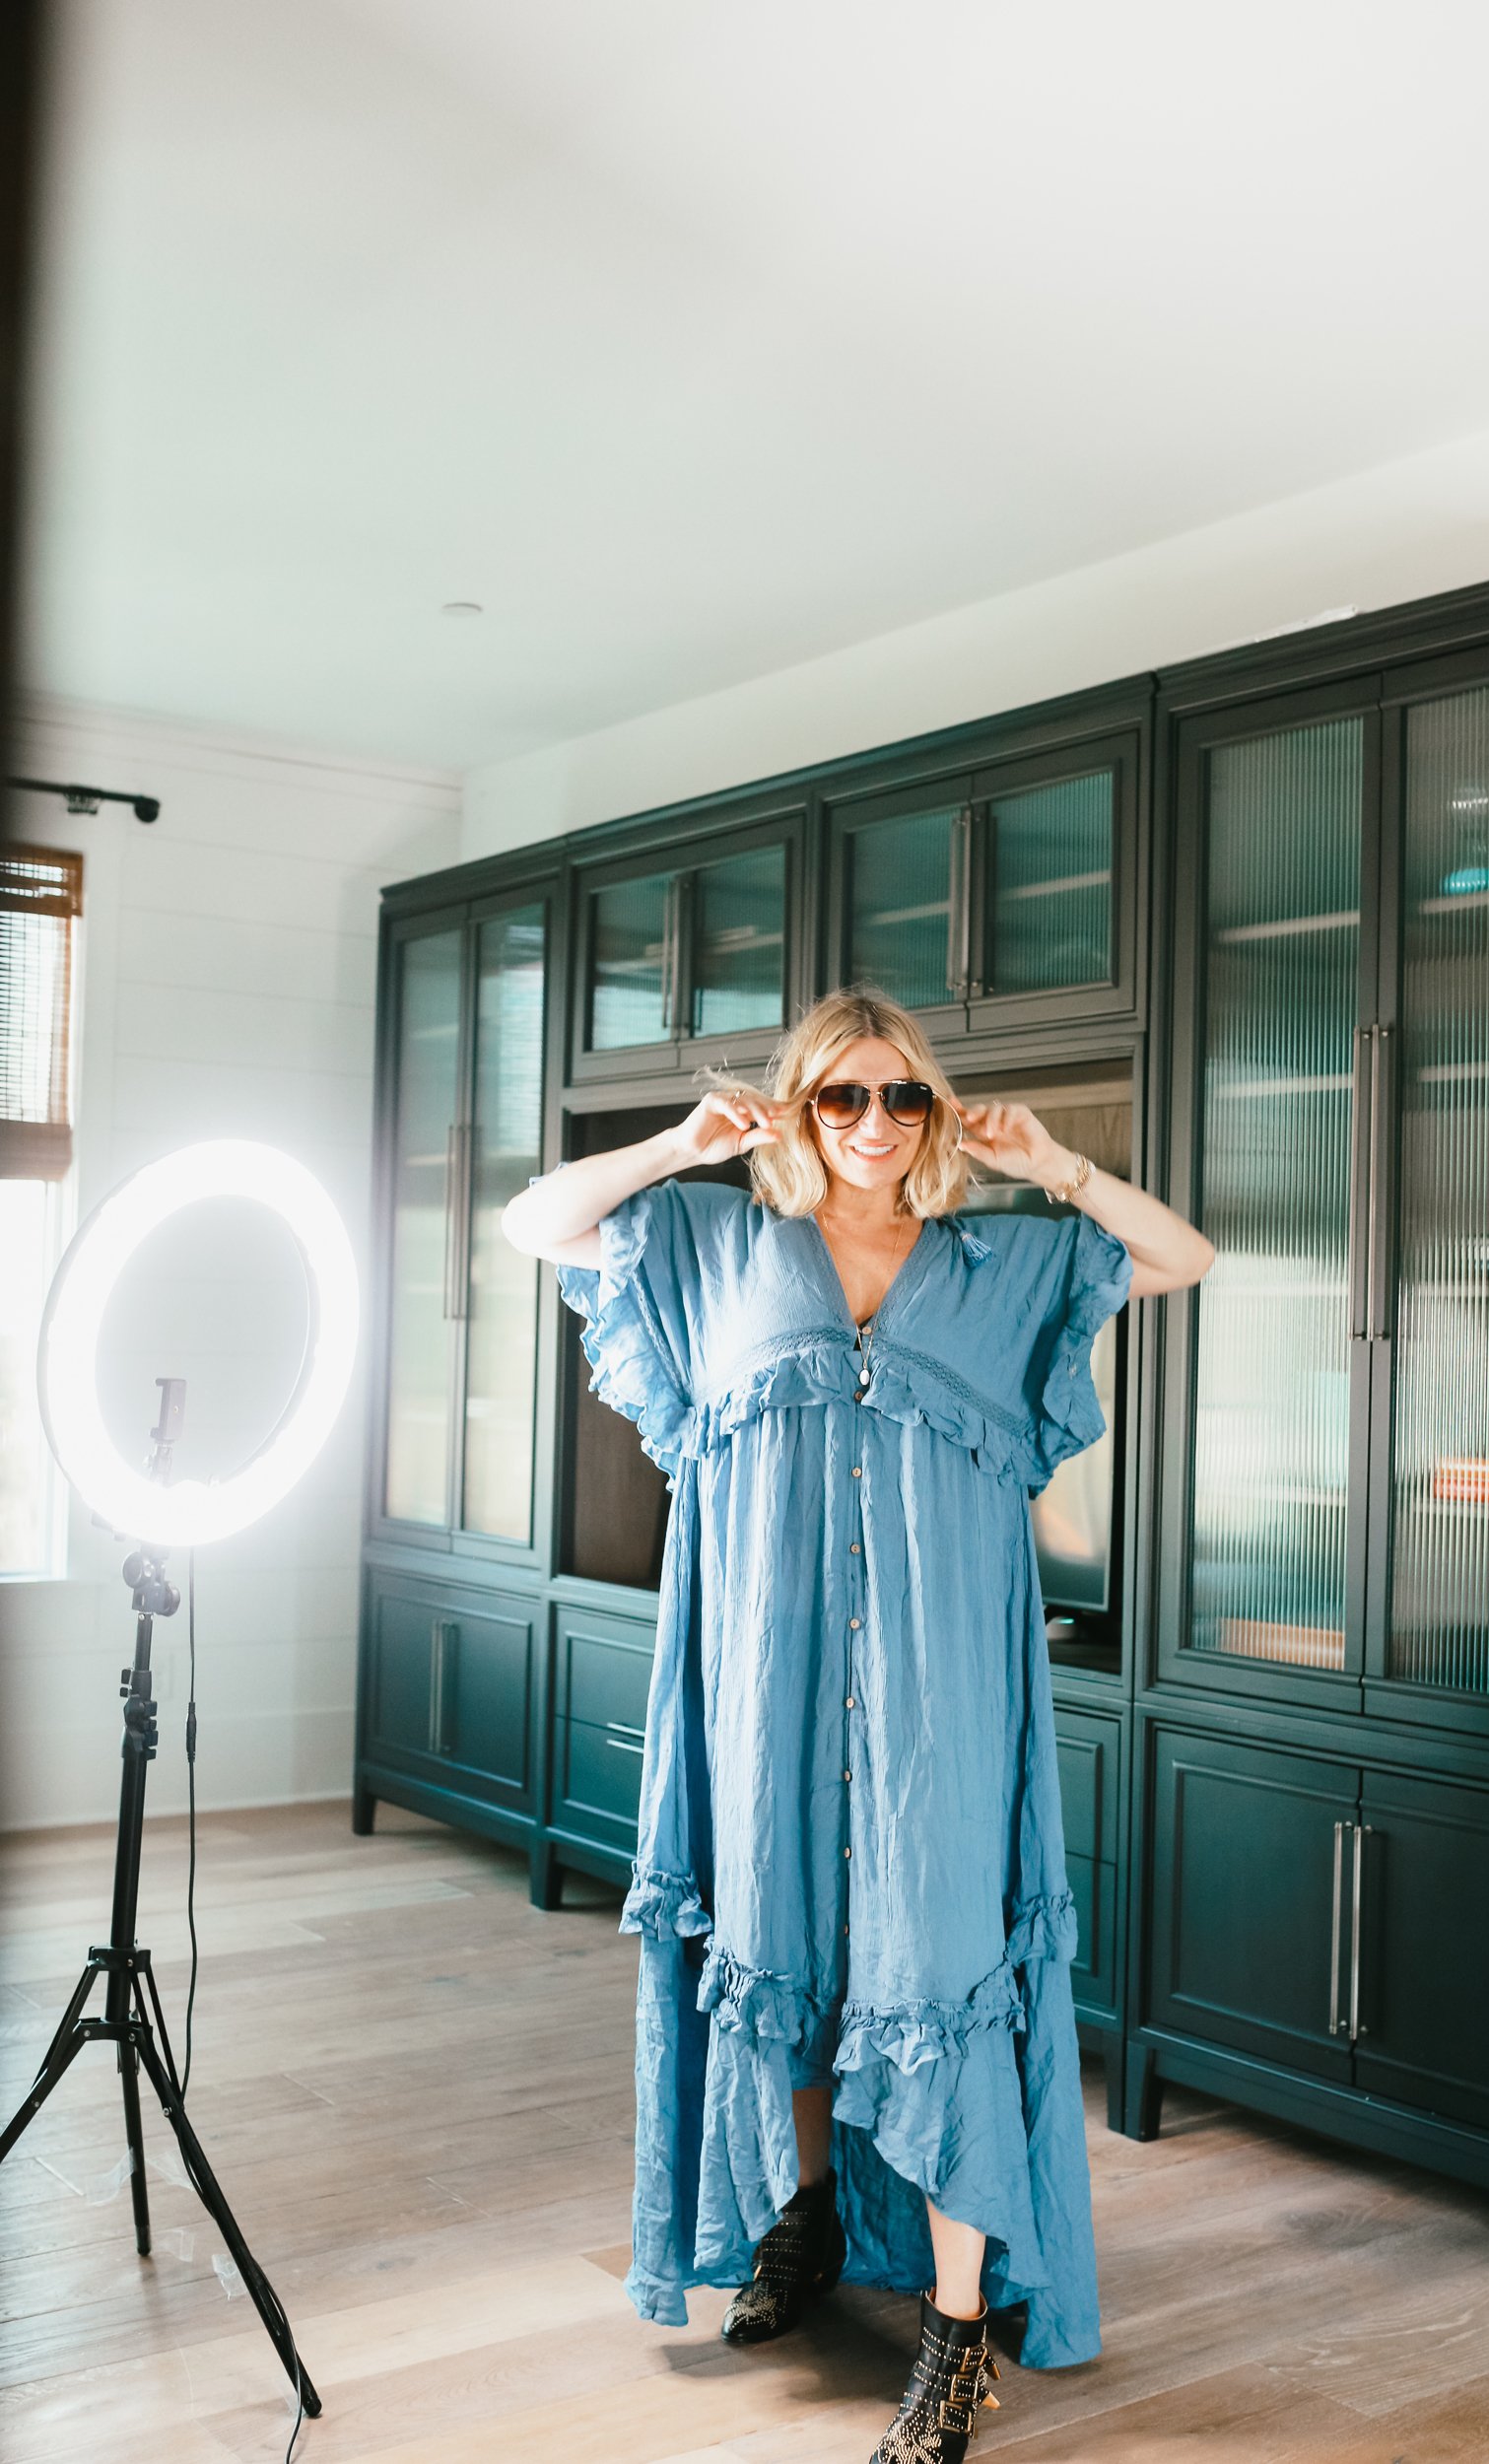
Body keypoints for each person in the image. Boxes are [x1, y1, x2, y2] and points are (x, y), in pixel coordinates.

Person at [503, 986, 1213, 2462]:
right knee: (799, 1963)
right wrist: (672, 1145)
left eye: (904, 1101)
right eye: (842, 1098)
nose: (875, 1127)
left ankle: (953, 2344)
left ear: (935, 1116)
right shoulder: (716, 1247)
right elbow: (536, 1224)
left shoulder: (998, 1263)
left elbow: (1182, 1256)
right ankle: (807, 2229)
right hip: (766, 1689)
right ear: (799, 1106)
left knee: (937, 1974)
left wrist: (1058, 1166)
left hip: (942, 1706)